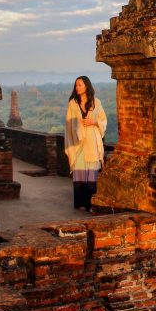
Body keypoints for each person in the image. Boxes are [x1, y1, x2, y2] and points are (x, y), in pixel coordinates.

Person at [64, 76, 107, 211]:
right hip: (79, 143)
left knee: (92, 175)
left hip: (93, 142)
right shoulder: (72, 104)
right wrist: (79, 125)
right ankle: (80, 203)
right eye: (76, 85)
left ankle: (90, 204)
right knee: (80, 173)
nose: (77, 88)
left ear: (87, 86)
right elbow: (69, 124)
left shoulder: (96, 102)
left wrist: (93, 122)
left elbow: (103, 121)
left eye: (80, 85)